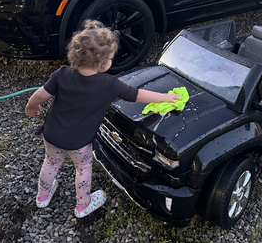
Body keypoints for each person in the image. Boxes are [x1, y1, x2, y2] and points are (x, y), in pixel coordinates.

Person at [25, 20, 180, 218]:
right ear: (103, 63)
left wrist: (31, 105)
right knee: (83, 168)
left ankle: (42, 196)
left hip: (52, 134)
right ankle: (83, 205)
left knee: (51, 162)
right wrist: (166, 98)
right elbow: (139, 95)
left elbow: (40, 95)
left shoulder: (62, 74)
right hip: (78, 143)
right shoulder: (110, 84)